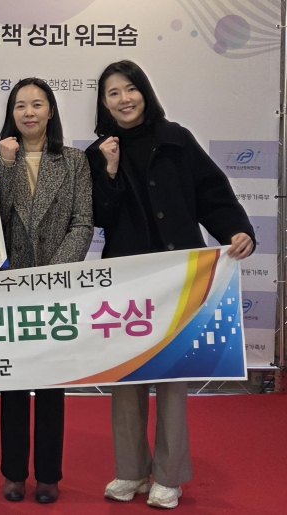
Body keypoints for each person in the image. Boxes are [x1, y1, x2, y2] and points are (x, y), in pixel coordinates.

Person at [85, 60, 255, 509]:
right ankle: (130, 471)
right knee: (126, 377)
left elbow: (211, 193)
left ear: (144, 91)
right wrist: (109, 170)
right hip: (126, 279)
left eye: (130, 89)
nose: (124, 99)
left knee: (172, 379)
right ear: (103, 103)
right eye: (113, 93)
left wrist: (236, 230)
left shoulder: (176, 138)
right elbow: (99, 216)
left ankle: (168, 476)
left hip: (179, 276)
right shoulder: (99, 152)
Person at [0, 78, 93, 504]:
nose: (29, 112)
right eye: (20, 105)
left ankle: (48, 475)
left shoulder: (75, 161)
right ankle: (13, 473)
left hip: (55, 288)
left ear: (50, 111)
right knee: (12, 383)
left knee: (50, 384)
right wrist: (8, 166)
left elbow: (82, 222)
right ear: (11, 113)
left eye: (37, 104)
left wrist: (52, 275)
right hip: (9, 288)